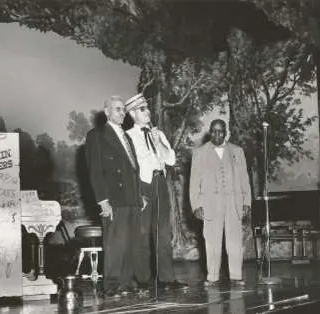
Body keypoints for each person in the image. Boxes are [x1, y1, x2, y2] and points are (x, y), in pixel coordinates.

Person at [125, 93, 188, 291]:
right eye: (142, 109)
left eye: (147, 107)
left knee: (163, 234)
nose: (148, 111)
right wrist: (136, 193)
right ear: (133, 114)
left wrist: (158, 142)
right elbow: (129, 169)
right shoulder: (128, 136)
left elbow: (170, 160)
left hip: (160, 183)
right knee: (142, 234)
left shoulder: (158, 133)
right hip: (142, 186)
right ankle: (143, 280)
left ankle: (167, 279)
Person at [85, 96, 146, 297]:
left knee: (131, 242)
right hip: (114, 197)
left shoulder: (126, 136)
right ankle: (111, 284)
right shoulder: (97, 135)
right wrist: (103, 201)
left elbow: (133, 169)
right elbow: (95, 171)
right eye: (118, 109)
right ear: (107, 112)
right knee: (115, 243)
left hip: (132, 197)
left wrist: (140, 196)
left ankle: (126, 282)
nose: (122, 113)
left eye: (123, 110)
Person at [189, 119, 251, 287]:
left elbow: (245, 179)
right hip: (210, 204)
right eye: (214, 131)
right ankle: (213, 276)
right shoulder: (199, 153)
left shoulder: (237, 151)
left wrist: (247, 202)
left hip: (234, 202)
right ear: (210, 131)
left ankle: (236, 276)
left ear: (226, 132)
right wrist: (196, 205)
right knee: (211, 241)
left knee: (234, 241)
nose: (217, 135)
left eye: (220, 131)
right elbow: (194, 182)